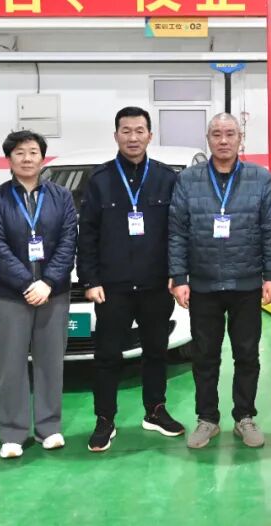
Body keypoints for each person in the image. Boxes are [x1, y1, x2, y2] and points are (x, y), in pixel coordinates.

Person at [169, 113, 271, 449]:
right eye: (217, 134)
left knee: (247, 355)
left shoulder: (260, 179)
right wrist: (179, 277)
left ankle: (244, 416)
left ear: (240, 138)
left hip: (246, 283)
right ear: (208, 138)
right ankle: (207, 419)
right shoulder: (188, 180)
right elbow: (177, 232)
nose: (223, 140)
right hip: (203, 284)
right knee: (205, 356)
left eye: (230, 134)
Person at [77, 106, 182, 453]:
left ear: (150, 135)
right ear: (116, 135)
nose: (133, 137)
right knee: (107, 356)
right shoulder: (100, 179)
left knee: (156, 352)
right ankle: (104, 419)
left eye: (139, 131)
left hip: (156, 285)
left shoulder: (167, 178)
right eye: (126, 131)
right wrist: (90, 279)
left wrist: (177, 275)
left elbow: (178, 232)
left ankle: (155, 411)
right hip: (112, 287)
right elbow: (87, 234)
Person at [0, 130, 78, 458]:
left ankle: (49, 428)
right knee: (10, 364)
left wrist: (48, 282)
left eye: (33, 152)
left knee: (51, 363)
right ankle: (12, 433)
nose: (26, 158)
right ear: (9, 159)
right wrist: (26, 283)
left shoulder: (61, 197)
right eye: (19, 153)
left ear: (42, 157)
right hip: (10, 295)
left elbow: (68, 242)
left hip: (53, 293)